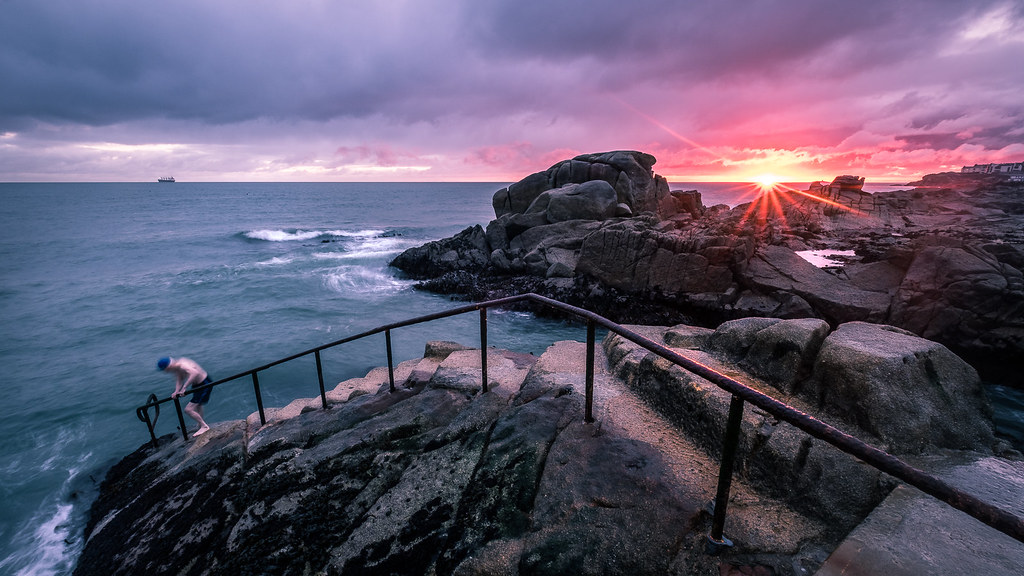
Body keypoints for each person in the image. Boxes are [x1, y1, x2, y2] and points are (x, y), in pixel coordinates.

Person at [157, 356, 213, 436]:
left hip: (204, 384)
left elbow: (195, 373)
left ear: (168, 367)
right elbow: (179, 380)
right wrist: (176, 391)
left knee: (188, 409)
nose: (165, 372)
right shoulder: (177, 367)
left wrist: (184, 388)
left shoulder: (182, 365)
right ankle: (200, 424)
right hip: (197, 384)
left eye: (165, 369)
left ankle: (204, 426)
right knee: (198, 405)